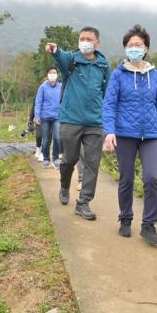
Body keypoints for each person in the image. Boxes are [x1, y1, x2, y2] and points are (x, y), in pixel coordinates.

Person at [102, 24, 157, 245]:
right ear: (125, 49)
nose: (134, 48)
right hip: (125, 134)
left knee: (151, 178)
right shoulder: (117, 75)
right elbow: (109, 105)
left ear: (146, 48)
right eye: (130, 45)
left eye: (138, 45)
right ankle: (125, 219)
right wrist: (109, 131)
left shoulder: (156, 76)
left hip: (151, 134)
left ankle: (149, 225)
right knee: (127, 178)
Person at [46, 27, 109, 221]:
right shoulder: (71, 61)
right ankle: (64, 185)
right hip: (71, 120)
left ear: (97, 43)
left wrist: (107, 119)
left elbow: (107, 93)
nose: (85, 42)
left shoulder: (104, 65)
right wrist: (55, 50)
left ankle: (83, 203)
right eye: (82, 38)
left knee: (92, 163)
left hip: (95, 122)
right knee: (69, 159)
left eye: (89, 39)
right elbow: (61, 57)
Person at [34, 67, 62, 168]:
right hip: (44, 117)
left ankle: (55, 159)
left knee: (57, 138)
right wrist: (37, 116)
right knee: (45, 140)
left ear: (57, 75)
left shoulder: (61, 87)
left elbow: (64, 101)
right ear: (47, 75)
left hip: (57, 117)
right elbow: (38, 102)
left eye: (54, 73)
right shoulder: (43, 87)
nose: (52, 74)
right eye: (50, 73)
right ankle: (46, 158)